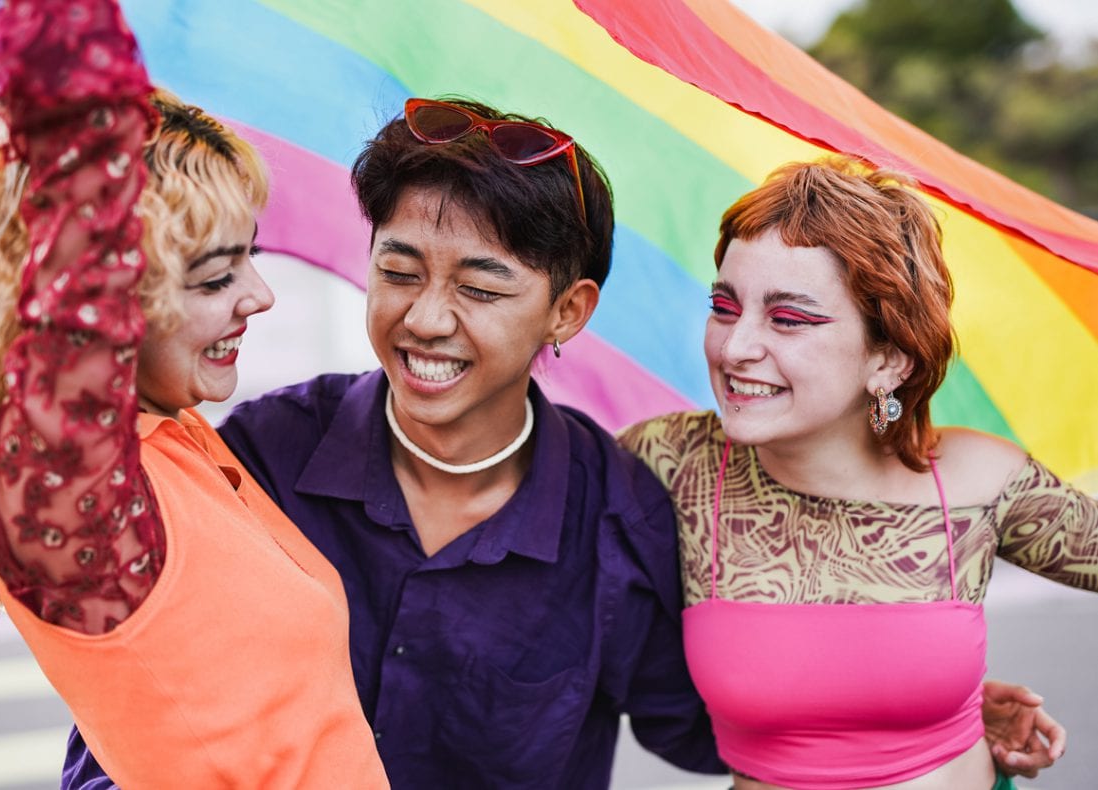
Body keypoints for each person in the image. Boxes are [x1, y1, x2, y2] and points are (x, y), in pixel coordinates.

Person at [63, 102, 1062, 788]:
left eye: (483, 287)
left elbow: (721, 719)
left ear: (568, 310)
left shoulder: (619, 513)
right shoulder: (262, 459)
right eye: (399, 271)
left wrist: (922, 706)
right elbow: (128, 704)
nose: (427, 319)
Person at [0, 1, 386, 788]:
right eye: (213, 276)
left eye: (248, 258)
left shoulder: (178, 436)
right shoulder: (76, 499)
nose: (260, 295)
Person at [618, 157, 1095, 790]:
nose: (733, 348)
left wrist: (931, 702)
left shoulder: (979, 480)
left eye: (788, 318)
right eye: (725, 306)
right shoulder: (673, 463)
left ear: (889, 358)